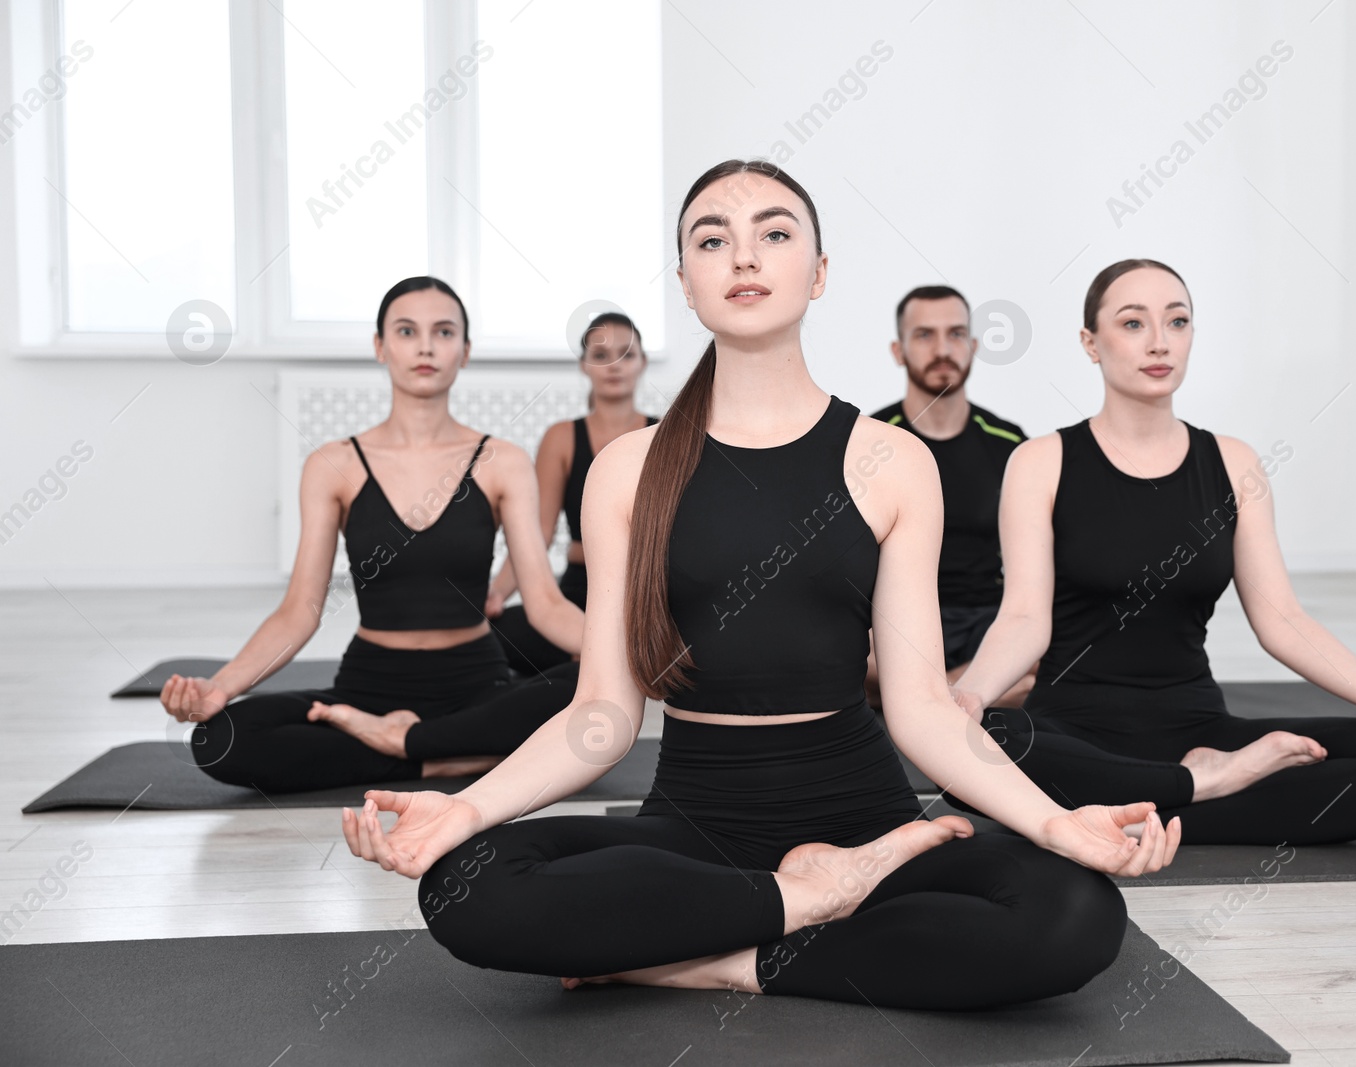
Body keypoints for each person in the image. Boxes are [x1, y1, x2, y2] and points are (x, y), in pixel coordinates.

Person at [340, 161, 1181, 1010]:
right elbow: (601, 715)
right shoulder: (628, 470)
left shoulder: (892, 462)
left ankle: (716, 961)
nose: (743, 257)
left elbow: (923, 707)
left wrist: (1053, 821)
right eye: (714, 239)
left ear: (817, 273)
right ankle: (803, 904)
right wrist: (464, 810)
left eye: (774, 234)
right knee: (467, 882)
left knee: (1073, 913)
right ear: (686, 282)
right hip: (694, 824)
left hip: (865, 820)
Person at [948, 259, 1356, 845]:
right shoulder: (1041, 462)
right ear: (1090, 343)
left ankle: (1140, 806)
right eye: (1133, 324)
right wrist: (971, 695)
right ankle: (1194, 791)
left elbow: (1283, 620)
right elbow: (1022, 618)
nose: (1160, 342)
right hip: (1072, 731)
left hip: (1201, 729)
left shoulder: (1234, 463)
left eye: (1177, 321)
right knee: (984, 740)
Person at [159, 277, 585, 792]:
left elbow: (544, 603)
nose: (426, 346)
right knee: (220, 738)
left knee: (585, 691)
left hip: (476, 683)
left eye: (443, 332)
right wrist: (218, 687)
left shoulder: (503, 462)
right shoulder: (333, 465)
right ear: (381, 347)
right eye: (407, 331)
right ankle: (446, 756)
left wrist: (633, 657)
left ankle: (405, 745)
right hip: (369, 686)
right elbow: (300, 610)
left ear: (465, 352)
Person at [867, 285, 1035, 709]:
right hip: (896, 623)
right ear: (897, 350)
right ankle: (956, 699)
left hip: (986, 619)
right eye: (924, 335)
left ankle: (930, 698)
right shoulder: (868, 442)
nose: (943, 349)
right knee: (839, 655)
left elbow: (1033, 571)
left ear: (974, 346)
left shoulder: (1009, 444)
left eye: (956, 334)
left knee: (1043, 662)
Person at [483, 312, 657, 673]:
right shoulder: (561, 437)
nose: (615, 365)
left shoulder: (664, 434)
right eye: (601, 354)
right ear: (584, 366)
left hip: (648, 592)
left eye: (627, 353)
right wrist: (497, 593)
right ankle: (596, 653)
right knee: (488, 633)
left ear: (642, 363)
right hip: (580, 592)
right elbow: (537, 532)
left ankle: (598, 655)